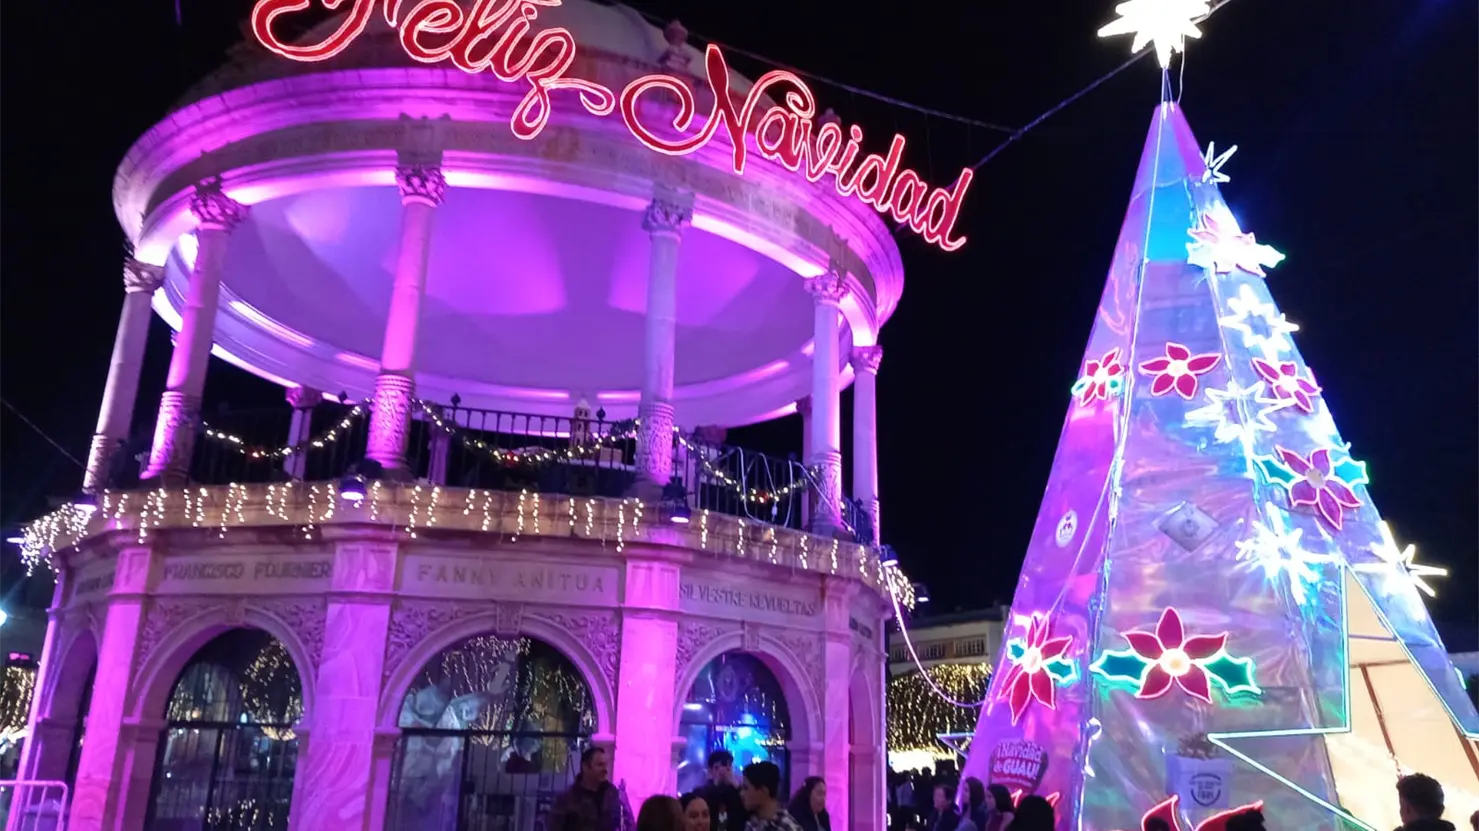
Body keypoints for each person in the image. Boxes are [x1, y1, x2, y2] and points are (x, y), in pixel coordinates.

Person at [548, 747, 623, 831]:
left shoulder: (612, 794)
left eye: (606, 765)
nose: (605, 769)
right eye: (600, 765)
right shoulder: (567, 799)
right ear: (585, 766)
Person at [739, 761, 803, 831]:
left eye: (746, 788)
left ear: (763, 791)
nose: (741, 793)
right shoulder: (752, 824)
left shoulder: (786, 827)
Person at [695, 751, 748, 831]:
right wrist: (716, 784)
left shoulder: (739, 791)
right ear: (710, 770)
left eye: (728, 767)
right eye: (717, 768)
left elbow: (747, 811)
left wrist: (735, 784)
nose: (723, 772)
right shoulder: (701, 791)